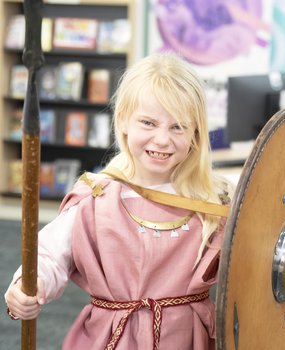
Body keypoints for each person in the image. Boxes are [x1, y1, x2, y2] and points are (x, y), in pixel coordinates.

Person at [5, 52, 234, 349]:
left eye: (177, 126)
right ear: (123, 121)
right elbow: (49, 255)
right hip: (111, 338)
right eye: (149, 123)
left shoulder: (214, 202)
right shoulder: (97, 197)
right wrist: (25, 288)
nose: (162, 139)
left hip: (185, 339)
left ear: (196, 133)